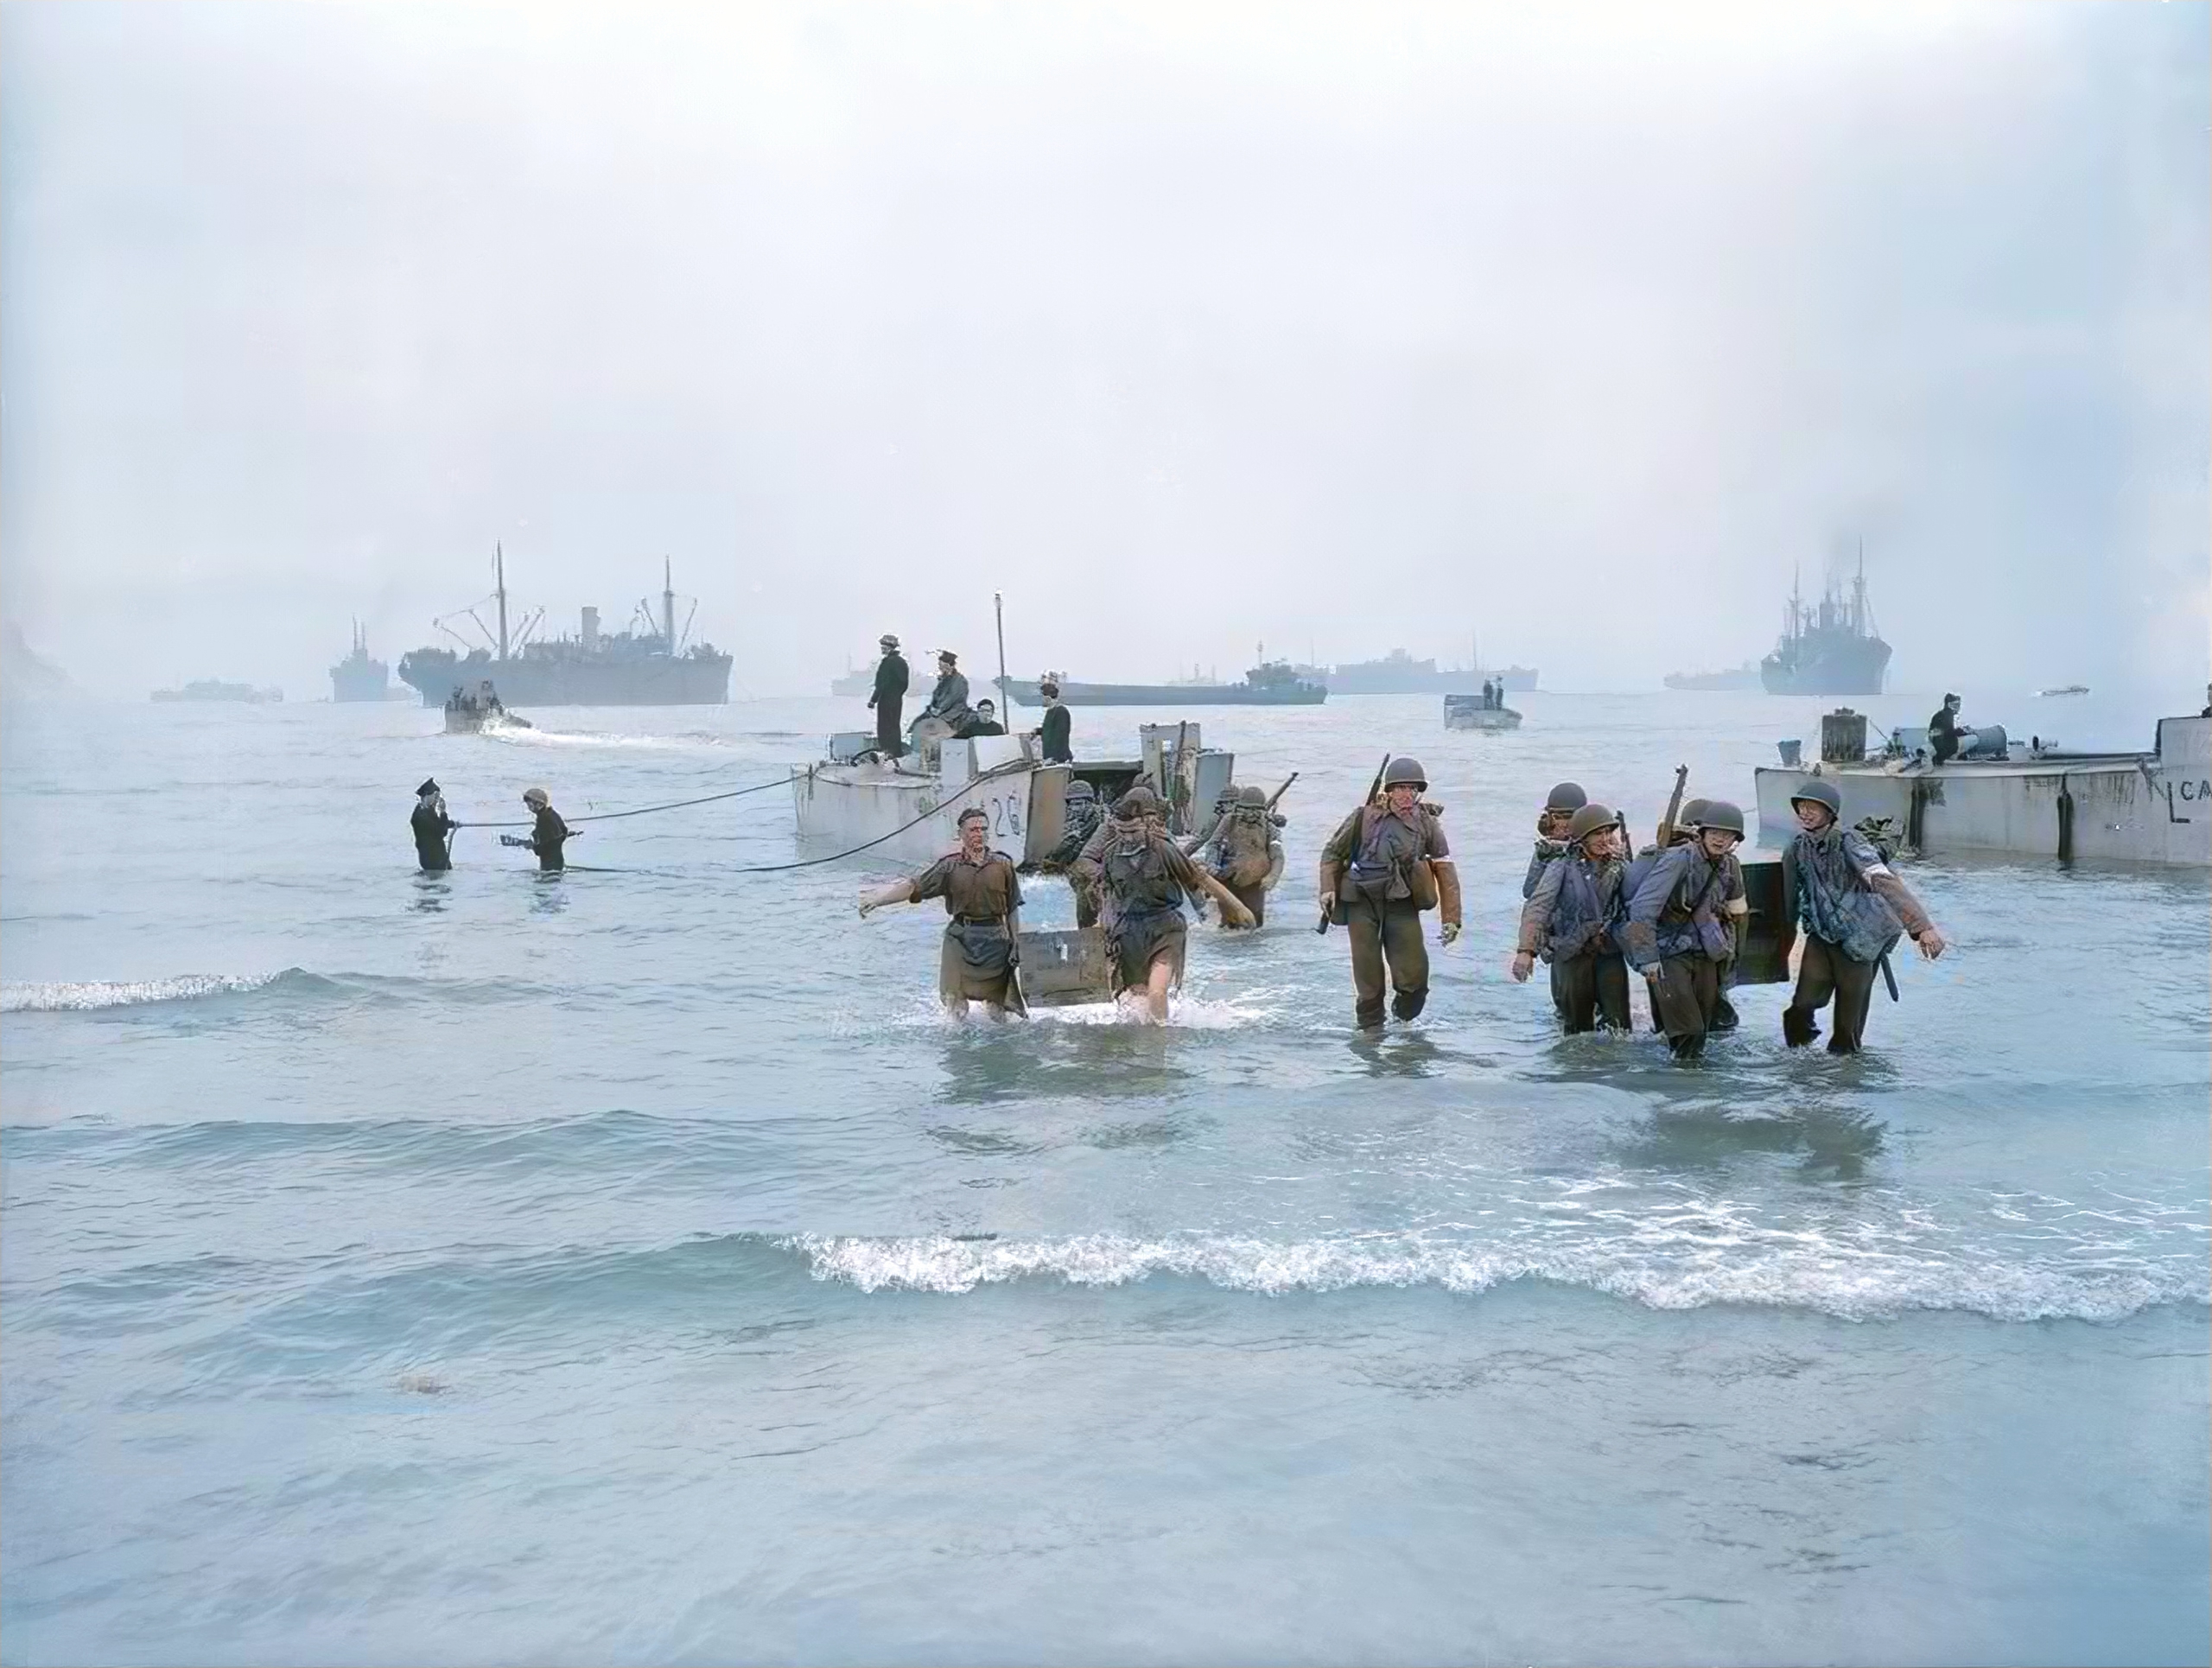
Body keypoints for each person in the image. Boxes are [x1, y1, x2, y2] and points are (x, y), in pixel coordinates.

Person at [1781, 779, 1947, 1054]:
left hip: (1860, 939)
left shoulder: (1850, 843)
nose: (1805, 813)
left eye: (1813, 808)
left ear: (1830, 813)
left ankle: (1848, 1079)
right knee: (1803, 1004)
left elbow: (1883, 881)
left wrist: (1922, 927)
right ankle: (1799, 1068)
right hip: (1822, 936)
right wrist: (1779, 943)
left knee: (1848, 1025)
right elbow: (1788, 900)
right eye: (1801, 807)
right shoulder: (1797, 848)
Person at [1072, 786, 1254, 1022]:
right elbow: (1099, 886)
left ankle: (1161, 1045)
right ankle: (1140, 1047)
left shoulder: (1162, 846)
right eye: (1123, 832)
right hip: (1128, 929)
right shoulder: (1110, 852)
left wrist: (1234, 907)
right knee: (1135, 998)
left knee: (1157, 992)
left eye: (1140, 825)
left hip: (1164, 927)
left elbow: (1194, 878)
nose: (1128, 838)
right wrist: (1098, 932)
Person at [1319, 757, 1462, 1030]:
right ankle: (1371, 1039)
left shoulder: (1427, 823)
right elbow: (1332, 854)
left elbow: (1444, 867)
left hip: (1402, 902)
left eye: (1413, 789)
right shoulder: (1362, 817)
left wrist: (1451, 918)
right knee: (1368, 980)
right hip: (1361, 902)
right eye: (1401, 788)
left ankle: (1403, 1021)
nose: (1407, 795)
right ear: (1389, 790)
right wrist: (1327, 889)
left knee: (1415, 979)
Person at [858, 806, 1027, 1018]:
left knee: (997, 1009)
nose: (979, 834)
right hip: (960, 939)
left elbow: (1012, 908)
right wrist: (877, 901)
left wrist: (1016, 943)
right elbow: (914, 887)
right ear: (961, 834)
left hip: (995, 939)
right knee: (955, 1004)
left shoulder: (1003, 865)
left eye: (983, 829)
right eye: (973, 829)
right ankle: (955, 1046)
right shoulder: (949, 867)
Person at [1624, 800, 1746, 1060]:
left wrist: (1731, 962)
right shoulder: (1679, 859)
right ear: (1701, 833)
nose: (1720, 839)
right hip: (1671, 953)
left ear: (1736, 839)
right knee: (1688, 1032)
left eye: (1728, 835)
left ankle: (1689, 1086)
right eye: (1714, 832)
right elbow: (1643, 908)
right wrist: (1647, 959)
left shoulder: (1730, 866)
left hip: (1706, 955)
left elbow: (1738, 915)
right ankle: (1678, 1090)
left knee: (1703, 1030)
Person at [1511, 801, 1630, 1033]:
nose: (1605, 839)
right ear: (1583, 838)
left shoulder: (1620, 865)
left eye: (1608, 832)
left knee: (1619, 1024)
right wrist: (1526, 951)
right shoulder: (1561, 866)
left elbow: (1640, 902)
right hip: (1570, 950)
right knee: (1576, 1026)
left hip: (1608, 949)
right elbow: (1538, 907)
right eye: (1598, 834)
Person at [1186, 783, 1284, 928]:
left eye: (1254, 811)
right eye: (1246, 810)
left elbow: (1277, 856)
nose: (1250, 815)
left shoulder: (1269, 828)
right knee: (1229, 921)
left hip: (1254, 881)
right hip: (1228, 876)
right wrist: (1211, 864)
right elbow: (1213, 843)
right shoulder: (1229, 820)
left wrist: (1272, 877)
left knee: (1255, 922)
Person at [1043, 779, 1105, 926]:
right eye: (1072, 803)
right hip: (1070, 866)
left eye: (1080, 803)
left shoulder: (1100, 820)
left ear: (1089, 803)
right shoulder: (1061, 822)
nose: (1076, 808)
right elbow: (1052, 850)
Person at [1523, 781, 1589, 899]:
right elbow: (1530, 891)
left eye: (1569, 816)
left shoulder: (1595, 844)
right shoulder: (1547, 848)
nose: (1564, 824)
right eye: (1558, 817)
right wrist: (1553, 850)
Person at [501, 786, 575, 871]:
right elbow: (564, 831)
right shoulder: (552, 813)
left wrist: (532, 845)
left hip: (549, 865)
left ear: (539, 804)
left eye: (530, 805)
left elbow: (542, 849)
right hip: (558, 861)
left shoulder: (543, 819)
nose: (529, 808)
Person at [868, 633, 909, 760]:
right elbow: (904, 684)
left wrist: (873, 700)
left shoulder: (888, 663)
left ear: (890, 647)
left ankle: (887, 752)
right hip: (897, 699)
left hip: (886, 699)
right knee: (894, 725)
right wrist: (897, 694)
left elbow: (881, 684)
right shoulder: (902, 663)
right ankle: (895, 752)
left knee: (885, 727)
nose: (882, 649)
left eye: (884, 646)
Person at [410, 778, 457, 872]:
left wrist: (452, 824)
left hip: (440, 858)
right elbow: (440, 831)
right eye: (435, 796)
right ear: (427, 795)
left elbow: (441, 827)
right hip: (432, 861)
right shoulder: (420, 816)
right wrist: (443, 812)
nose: (437, 800)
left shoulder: (429, 811)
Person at [920, 651, 971, 730]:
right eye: (939, 665)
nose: (939, 668)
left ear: (948, 666)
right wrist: (932, 710)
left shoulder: (959, 681)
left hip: (953, 718)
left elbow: (954, 703)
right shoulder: (943, 680)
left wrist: (940, 715)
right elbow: (936, 699)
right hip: (939, 716)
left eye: (941, 665)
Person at [1038, 680, 1073, 764]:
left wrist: (1056, 758)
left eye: (1043, 696)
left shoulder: (1061, 712)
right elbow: (1049, 730)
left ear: (1047, 697)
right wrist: (1038, 731)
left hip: (1058, 759)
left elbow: (1061, 736)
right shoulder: (1050, 711)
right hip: (1048, 757)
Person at [1929, 692, 1965, 764]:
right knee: (1951, 749)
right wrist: (1959, 732)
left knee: (1950, 749)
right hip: (1941, 740)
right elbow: (1948, 731)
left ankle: (1937, 762)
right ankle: (1936, 762)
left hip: (1937, 738)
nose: (1958, 708)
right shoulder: (1948, 714)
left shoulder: (1943, 714)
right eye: (1956, 705)